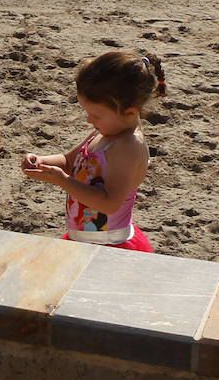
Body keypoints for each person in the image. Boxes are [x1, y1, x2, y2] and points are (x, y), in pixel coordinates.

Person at [21, 50, 164, 252]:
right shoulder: (101, 134)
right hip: (81, 240)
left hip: (112, 246)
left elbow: (109, 203)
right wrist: (41, 161)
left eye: (95, 115)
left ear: (130, 111)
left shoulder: (129, 148)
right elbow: (68, 161)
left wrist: (63, 181)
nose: (89, 120)